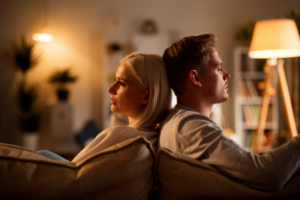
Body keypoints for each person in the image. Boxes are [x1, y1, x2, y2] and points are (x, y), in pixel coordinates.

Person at [159, 33, 300, 192]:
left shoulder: (179, 121)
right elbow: (268, 175)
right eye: (219, 68)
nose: (227, 75)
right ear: (195, 78)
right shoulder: (193, 129)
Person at [38, 52, 172, 163]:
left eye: (121, 83)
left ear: (146, 97)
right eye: (115, 80)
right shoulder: (156, 136)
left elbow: (74, 168)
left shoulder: (119, 135)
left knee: (42, 154)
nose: (110, 89)